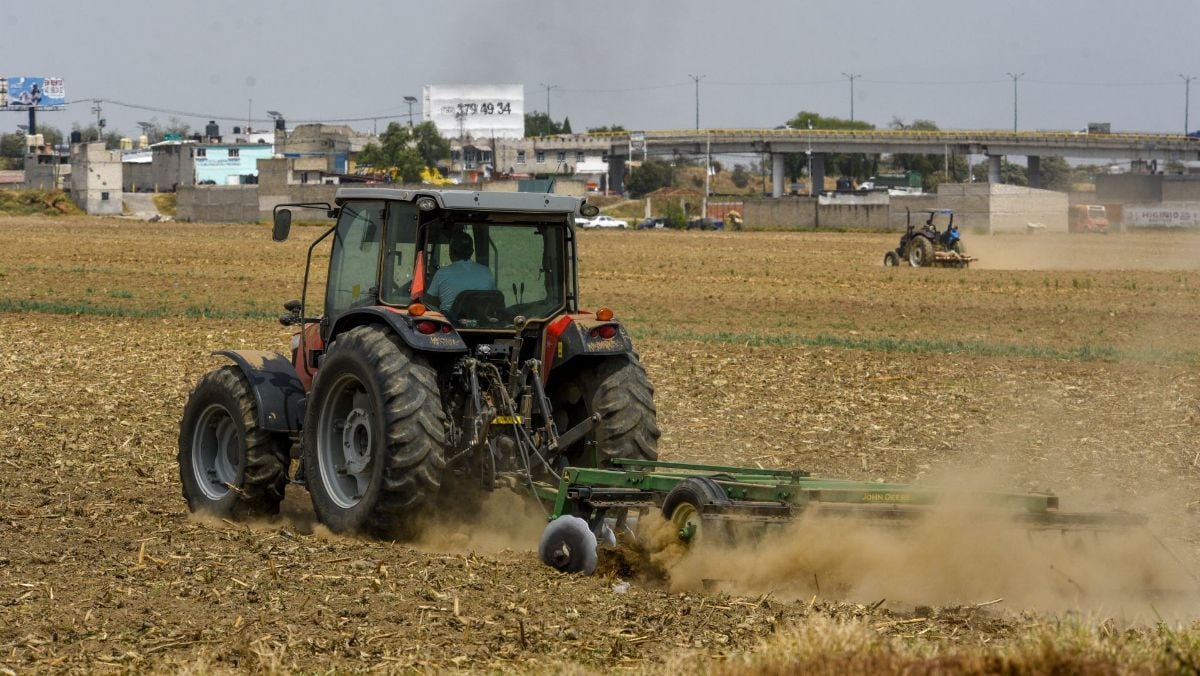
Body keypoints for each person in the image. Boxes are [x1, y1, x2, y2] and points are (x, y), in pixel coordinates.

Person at [425, 232, 496, 312]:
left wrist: (432, 277)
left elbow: (429, 302)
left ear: (450, 253)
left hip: (450, 322)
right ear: (472, 252)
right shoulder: (486, 272)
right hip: (481, 321)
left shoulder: (442, 273)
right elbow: (493, 299)